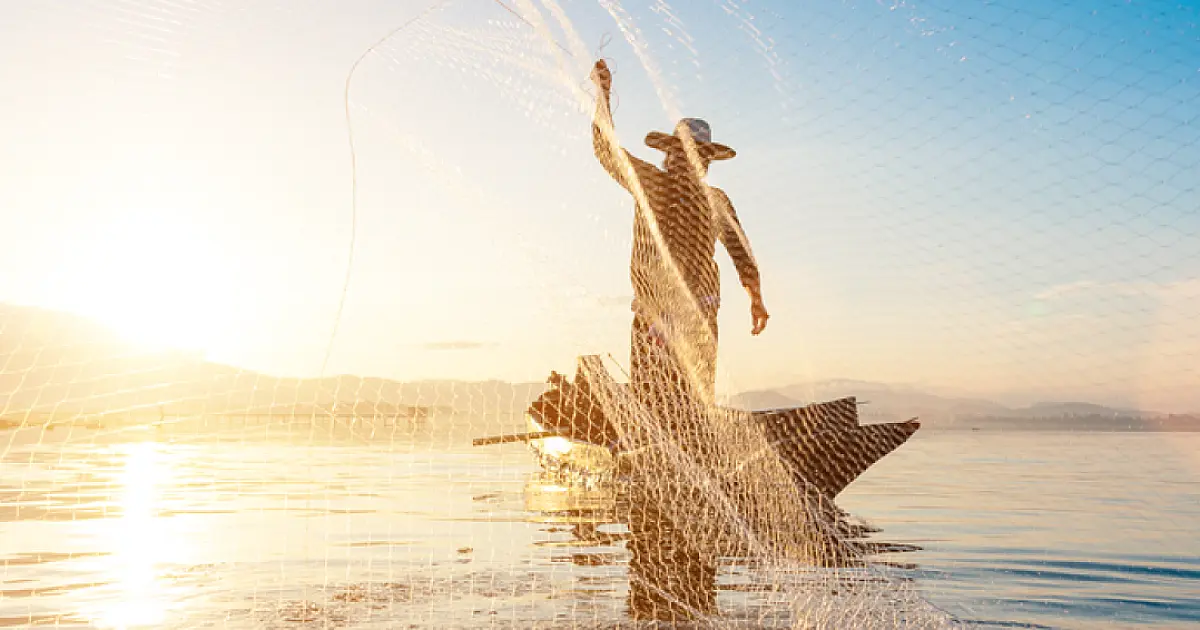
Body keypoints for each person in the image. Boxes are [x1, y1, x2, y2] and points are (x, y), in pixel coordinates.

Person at [589, 59, 768, 405]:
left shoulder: (715, 201)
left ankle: (691, 447)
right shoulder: (651, 184)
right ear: (671, 155)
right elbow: (606, 151)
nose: (690, 162)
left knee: (696, 402)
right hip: (654, 316)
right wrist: (603, 97)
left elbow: (741, 253)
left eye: (697, 156)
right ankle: (656, 449)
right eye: (684, 154)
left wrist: (756, 300)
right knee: (655, 401)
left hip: (699, 317)